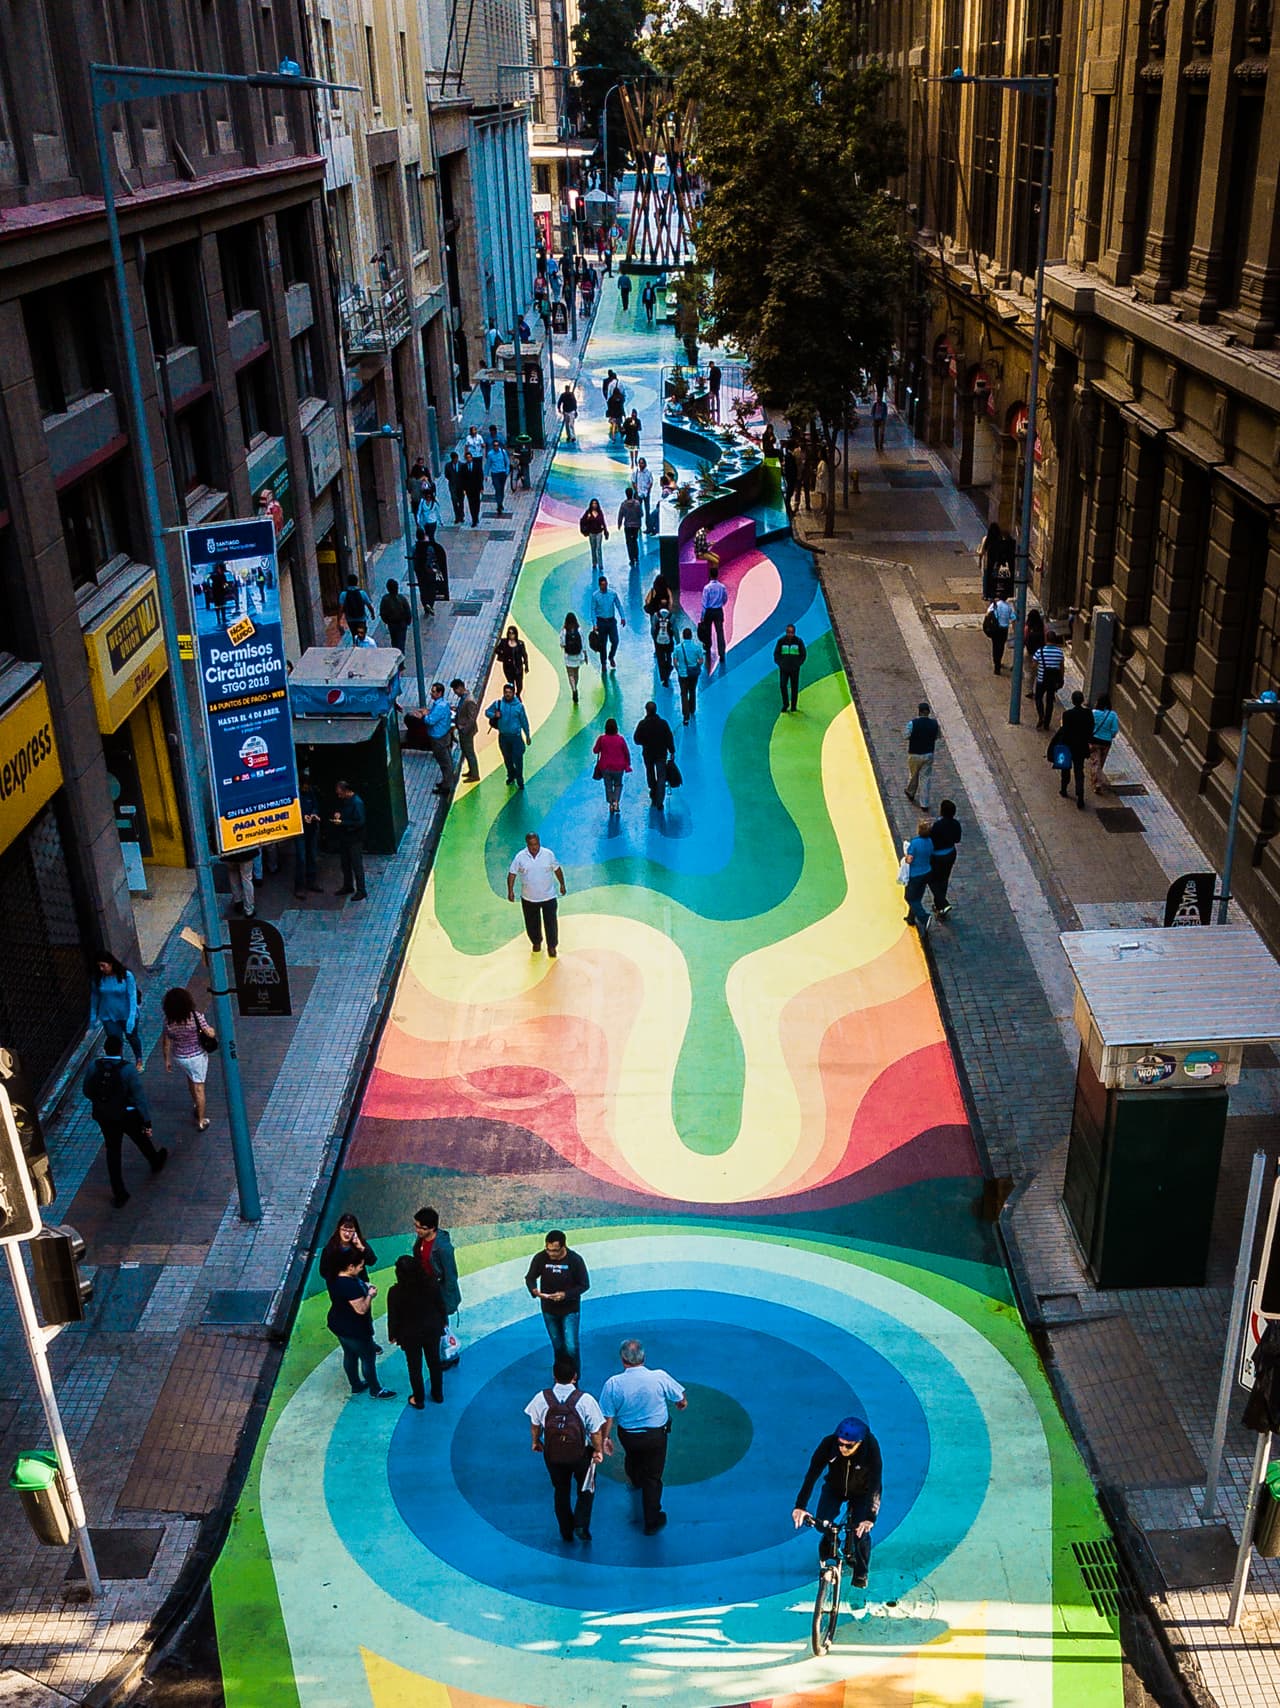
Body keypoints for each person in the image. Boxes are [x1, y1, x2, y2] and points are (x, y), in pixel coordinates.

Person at [600, 1338, 687, 1535]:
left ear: (623, 1360)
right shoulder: (659, 1377)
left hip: (629, 1436)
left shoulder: (613, 1384)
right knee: (653, 1477)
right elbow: (681, 1399)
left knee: (633, 1458)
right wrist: (681, 1404)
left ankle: (636, 1479)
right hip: (656, 1436)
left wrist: (605, 1438)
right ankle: (652, 1520)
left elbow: (608, 1416)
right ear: (644, 1357)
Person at [791, 1415, 883, 1589]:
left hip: (863, 1493)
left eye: (848, 1446)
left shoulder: (871, 1448)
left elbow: (876, 1484)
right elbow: (812, 1474)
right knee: (822, 1524)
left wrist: (870, 1517)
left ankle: (861, 1573)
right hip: (835, 1488)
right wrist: (800, 1506)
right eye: (840, 1444)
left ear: (860, 1442)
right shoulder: (828, 1444)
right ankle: (830, 1544)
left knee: (860, 1533)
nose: (842, 1448)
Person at [526, 1354, 605, 1543]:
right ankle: (581, 1524)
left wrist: (536, 1442)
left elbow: (535, 1424)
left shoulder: (541, 1398)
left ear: (554, 1376)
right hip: (580, 1454)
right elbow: (595, 1431)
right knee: (586, 1488)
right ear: (575, 1376)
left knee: (560, 1490)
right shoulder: (585, 1400)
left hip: (553, 1454)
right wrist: (598, 1450)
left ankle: (566, 1531)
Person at [83, 1034, 167, 1209]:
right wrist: (146, 1120)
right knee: (141, 1139)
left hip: (105, 1116)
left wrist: (102, 1103)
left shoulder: (94, 1066)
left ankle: (119, 1192)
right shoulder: (127, 1070)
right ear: (121, 1050)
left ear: (105, 1050)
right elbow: (138, 1097)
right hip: (127, 1114)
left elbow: (87, 1090)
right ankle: (155, 1160)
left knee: (113, 1151)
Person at [327, 1253, 394, 1399]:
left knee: (350, 1354)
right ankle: (375, 1389)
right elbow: (361, 1309)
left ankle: (356, 1385)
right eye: (360, 1267)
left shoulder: (334, 1277)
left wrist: (363, 1286)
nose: (361, 1269)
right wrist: (370, 1294)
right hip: (355, 1329)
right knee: (368, 1358)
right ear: (350, 1267)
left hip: (338, 1324)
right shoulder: (349, 1285)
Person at [386, 1253, 448, 1408]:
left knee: (414, 1367)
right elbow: (440, 1305)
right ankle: (438, 1394)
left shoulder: (395, 1292)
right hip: (432, 1329)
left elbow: (393, 1316)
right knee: (434, 1362)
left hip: (409, 1334)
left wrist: (392, 1334)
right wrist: (443, 1322)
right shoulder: (432, 1284)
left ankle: (418, 1399)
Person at [525, 1232, 591, 1363]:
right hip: (549, 1310)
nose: (551, 1254)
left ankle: (574, 1380)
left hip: (570, 1310)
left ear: (563, 1247)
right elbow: (530, 1277)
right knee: (558, 1346)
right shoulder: (540, 1258)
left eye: (555, 1251)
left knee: (571, 1347)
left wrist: (565, 1295)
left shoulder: (575, 1260)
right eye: (548, 1250)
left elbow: (584, 1285)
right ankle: (560, 1378)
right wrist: (534, 1290)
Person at [160, 985, 215, 1131]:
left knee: (191, 1078)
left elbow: (166, 1042)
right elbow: (210, 1033)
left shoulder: (168, 1022)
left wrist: (167, 1060)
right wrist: (212, 1031)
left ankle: (196, 1104)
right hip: (197, 1056)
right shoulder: (196, 1017)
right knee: (199, 1087)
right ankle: (201, 1119)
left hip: (180, 1057)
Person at [508, 832, 566, 957]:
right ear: (527, 845)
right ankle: (536, 942)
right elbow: (512, 873)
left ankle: (552, 946)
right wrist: (510, 890)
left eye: (536, 844)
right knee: (531, 923)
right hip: (529, 898)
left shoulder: (548, 855)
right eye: (531, 845)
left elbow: (557, 869)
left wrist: (562, 884)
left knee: (551, 923)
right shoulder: (520, 857)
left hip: (548, 897)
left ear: (539, 842)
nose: (534, 847)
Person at [89, 952, 142, 1066]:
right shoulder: (98, 978)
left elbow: (132, 996)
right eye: (99, 966)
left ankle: (139, 1059)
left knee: (132, 1038)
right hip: (108, 1015)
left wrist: (132, 1017)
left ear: (111, 964)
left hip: (126, 1013)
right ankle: (119, 1063)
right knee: (115, 1041)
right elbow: (95, 996)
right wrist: (93, 1015)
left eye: (103, 965)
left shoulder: (126, 976)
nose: (101, 969)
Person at [412, 1205, 461, 1316]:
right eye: (416, 1226)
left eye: (422, 1228)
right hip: (425, 1286)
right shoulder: (422, 1237)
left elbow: (450, 1275)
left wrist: (447, 1301)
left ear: (432, 1228)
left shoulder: (444, 1248)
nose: (417, 1230)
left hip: (439, 1290)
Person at [486, 682, 532, 788]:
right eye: (506, 692)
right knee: (507, 758)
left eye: (510, 692)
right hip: (503, 736)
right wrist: (494, 715)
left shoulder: (519, 707)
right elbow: (487, 712)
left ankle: (520, 778)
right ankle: (511, 775)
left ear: (513, 693)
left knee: (518, 759)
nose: (507, 694)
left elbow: (524, 721)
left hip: (515, 737)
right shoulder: (498, 704)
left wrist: (527, 735)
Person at [633, 702, 675, 808]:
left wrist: (645, 742)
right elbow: (669, 738)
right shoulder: (663, 723)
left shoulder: (642, 724)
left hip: (648, 753)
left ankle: (653, 790)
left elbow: (636, 740)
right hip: (661, 753)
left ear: (646, 710)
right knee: (662, 776)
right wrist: (672, 751)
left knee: (650, 772)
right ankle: (660, 801)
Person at [1058, 689, 1095, 809]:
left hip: (1068, 746)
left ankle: (1064, 789)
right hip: (1081, 747)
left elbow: (1064, 731)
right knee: (1079, 771)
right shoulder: (1088, 714)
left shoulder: (1067, 714)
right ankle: (1080, 795)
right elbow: (1091, 729)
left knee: (1065, 769)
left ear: (1072, 701)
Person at [332, 780, 367, 900]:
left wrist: (343, 823)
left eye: (340, 793)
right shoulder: (345, 801)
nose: (339, 796)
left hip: (354, 839)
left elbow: (360, 822)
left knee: (357, 865)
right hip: (345, 838)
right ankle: (348, 886)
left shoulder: (357, 803)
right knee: (345, 863)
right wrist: (338, 814)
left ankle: (361, 890)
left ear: (346, 791)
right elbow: (342, 811)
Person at [319, 1212, 376, 1284]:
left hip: (359, 1286)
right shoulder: (330, 1248)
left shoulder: (361, 1243)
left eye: (350, 1230)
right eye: (344, 1229)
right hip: (340, 1286)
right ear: (339, 1229)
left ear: (355, 1231)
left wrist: (361, 1248)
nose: (347, 1234)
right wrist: (345, 1275)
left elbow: (372, 1261)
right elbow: (324, 1272)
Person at [927, 800, 962, 917]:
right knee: (943, 879)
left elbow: (931, 841)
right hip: (951, 854)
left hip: (937, 857)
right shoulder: (956, 824)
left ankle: (942, 903)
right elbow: (957, 839)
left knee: (931, 879)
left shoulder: (937, 825)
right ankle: (939, 907)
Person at [903, 701, 940, 810]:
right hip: (928, 753)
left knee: (913, 774)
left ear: (919, 712)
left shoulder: (912, 724)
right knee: (926, 778)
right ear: (928, 712)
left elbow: (906, 736)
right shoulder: (934, 724)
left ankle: (911, 792)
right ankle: (924, 803)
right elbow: (938, 736)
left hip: (914, 753)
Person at [592, 717, 631, 815]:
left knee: (608, 786)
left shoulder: (602, 739)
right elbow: (626, 752)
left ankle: (610, 803)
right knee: (618, 784)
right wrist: (627, 764)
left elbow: (595, 750)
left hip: (605, 767)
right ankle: (616, 802)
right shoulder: (620, 739)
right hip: (619, 767)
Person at [293, 770, 323, 897]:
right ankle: (299, 886)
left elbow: (316, 805)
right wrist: (302, 817)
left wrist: (314, 814)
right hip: (300, 830)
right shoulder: (296, 795)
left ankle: (311, 881)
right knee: (301, 858)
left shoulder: (311, 793)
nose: (306, 788)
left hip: (311, 829)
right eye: (305, 786)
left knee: (312, 855)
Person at [423, 682, 455, 796]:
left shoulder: (439, 706)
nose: (431, 693)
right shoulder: (444, 704)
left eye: (433, 691)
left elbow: (430, 721)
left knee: (444, 762)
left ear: (439, 693)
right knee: (446, 760)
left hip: (438, 738)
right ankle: (447, 781)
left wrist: (424, 715)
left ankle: (447, 786)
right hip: (444, 735)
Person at [903, 817, 933, 931]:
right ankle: (911, 917)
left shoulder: (915, 843)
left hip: (915, 875)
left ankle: (924, 917)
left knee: (909, 897)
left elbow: (909, 860)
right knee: (917, 896)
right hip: (926, 872)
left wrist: (906, 855)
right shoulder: (930, 842)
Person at [590, 575, 625, 672]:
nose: (604, 587)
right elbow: (593, 610)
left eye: (605, 584)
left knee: (615, 641)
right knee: (602, 644)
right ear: (599, 585)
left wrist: (622, 617)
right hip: (601, 622)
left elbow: (619, 605)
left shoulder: (613, 594)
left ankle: (611, 656)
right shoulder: (595, 596)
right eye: (602, 585)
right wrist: (594, 623)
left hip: (611, 621)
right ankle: (603, 663)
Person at [1033, 628, 1066, 730]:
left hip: (1041, 680)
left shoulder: (1040, 651)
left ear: (1046, 639)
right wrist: (1061, 679)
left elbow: (1034, 665)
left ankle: (1041, 716)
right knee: (1050, 701)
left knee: (1038, 698)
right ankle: (1047, 722)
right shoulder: (1059, 652)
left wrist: (1038, 670)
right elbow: (1061, 667)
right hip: (1052, 681)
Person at [450, 678, 481, 782]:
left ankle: (475, 774)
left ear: (460, 688)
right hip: (463, 729)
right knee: (466, 751)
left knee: (469, 752)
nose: (455, 693)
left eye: (455, 690)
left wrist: (464, 730)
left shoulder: (469, 700)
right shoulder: (464, 698)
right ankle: (472, 771)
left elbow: (472, 719)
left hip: (466, 731)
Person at [673, 626, 705, 724]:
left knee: (683, 693)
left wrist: (678, 670)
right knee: (692, 691)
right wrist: (696, 665)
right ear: (691, 636)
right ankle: (692, 709)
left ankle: (685, 715)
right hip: (693, 674)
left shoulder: (678, 648)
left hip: (683, 674)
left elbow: (675, 662)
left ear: (683, 636)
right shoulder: (697, 647)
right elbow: (701, 660)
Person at [700, 564, 728, 673]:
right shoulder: (722, 587)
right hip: (718, 611)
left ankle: (707, 648)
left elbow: (704, 603)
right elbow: (725, 599)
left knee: (708, 631)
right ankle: (722, 654)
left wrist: (703, 616)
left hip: (709, 611)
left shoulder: (707, 588)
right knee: (720, 632)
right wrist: (720, 604)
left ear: (710, 575)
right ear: (717, 575)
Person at [1089, 693, 1119, 794]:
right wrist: (1109, 735)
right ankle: (1097, 779)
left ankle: (1097, 782)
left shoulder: (1093, 713)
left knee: (1095, 762)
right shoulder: (1113, 715)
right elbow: (1114, 730)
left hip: (1094, 740)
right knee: (1101, 762)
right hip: (1106, 742)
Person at [774, 623, 806, 712]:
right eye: (788, 632)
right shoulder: (781, 641)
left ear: (794, 633)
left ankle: (793, 706)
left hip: (795, 670)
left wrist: (797, 664)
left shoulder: (799, 642)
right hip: (784, 669)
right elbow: (776, 654)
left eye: (791, 632)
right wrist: (781, 664)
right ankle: (785, 704)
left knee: (794, 687)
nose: (790, 634)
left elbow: (803, 654)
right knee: (782, 685)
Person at [222, 845, 258, 917]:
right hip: (246, 851)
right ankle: (249, 909)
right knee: (247, 878)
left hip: (229, 851)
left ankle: (238, 901)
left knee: (233, 875)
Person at [496, 624, 530, 696]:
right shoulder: (504, 642)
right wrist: (503, 655)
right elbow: (497, 650)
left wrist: (526, 666)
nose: (511, 635)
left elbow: (524, 655)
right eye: (509, 633)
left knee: (519, 685)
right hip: (508, 668)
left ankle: (518, 694)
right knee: (511, 684)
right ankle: (513, 696)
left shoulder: (520, 644)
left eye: (512, 633)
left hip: (518, 668)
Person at [380, 579, 411, 654]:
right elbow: (408, 610)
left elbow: (382, 612)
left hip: (392, 624)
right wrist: (408, 621)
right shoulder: (401, 598)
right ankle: (400, 659)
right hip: (401, 624)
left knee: (394, 641)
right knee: (401, 642)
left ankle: (396, 656)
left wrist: (387, 621)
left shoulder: (385, 599)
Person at [560, 613, 586, 705]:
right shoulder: (579, 630)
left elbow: (562, 644)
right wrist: (585, 655)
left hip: (568, 656)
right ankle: (576, 686)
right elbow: (583, 643)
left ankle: (574, 689)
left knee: (570, 674)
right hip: (578, 655)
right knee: (576, 673)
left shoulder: (564, 631)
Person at [986, 592, 1015, 674]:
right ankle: (999, 660)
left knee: (995, 646)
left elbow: (988, 613)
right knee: (1001, 646)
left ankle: (996, 663)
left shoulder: (995, 605)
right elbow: (1013, 618)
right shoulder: (1008, 607)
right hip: (1004, 630)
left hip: (996, 629)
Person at [580, 499, 610, 573]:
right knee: (593, 548)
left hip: (599, 532)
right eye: (593, 503)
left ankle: (600, 564)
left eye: (595, 503)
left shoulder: (600, 512)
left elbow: (603, 522)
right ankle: (594, 563)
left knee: (599, 548)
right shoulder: (588, 513)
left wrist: (606, 531)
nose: (594, 505)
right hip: (591, 533)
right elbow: (582, 521)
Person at [618, 487, 643, 570]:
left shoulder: (623, 504)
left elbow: (620, 515)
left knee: (629, 542)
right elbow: (641, 514)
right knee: (635, 541)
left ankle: (631, 559)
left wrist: (619, 524)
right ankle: (636, 557)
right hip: (636, 526)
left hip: (628, 526)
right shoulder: (637, 503)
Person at [651, 603, 676, 687]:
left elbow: (653, 628)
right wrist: (678, 641)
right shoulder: (671, 616)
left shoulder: (655, 615)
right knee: (668, 656)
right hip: (668, 641)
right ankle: (668, 670)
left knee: (660, 659)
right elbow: (675, 629)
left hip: (658, 641)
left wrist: (654, 639)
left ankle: (663, 678)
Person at [1023, 607, 1046, 698]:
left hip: (1029, 651)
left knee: (1028, 671)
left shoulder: (1027, 627)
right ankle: (1039, 690)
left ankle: (1029, 690)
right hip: (1040, 652)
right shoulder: (1042, 626)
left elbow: (1024, 638)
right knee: (1038, 671)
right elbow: (1045, 638)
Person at [413, 528, 436, 614]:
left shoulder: (415, 547)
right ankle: (430, 604)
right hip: (429, 572)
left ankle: (425, 604)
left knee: (423, 589)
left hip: (420, 572)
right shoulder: (429, 547)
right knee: (431, 588)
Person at [486, 435, 510, 517]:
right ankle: (499, 504)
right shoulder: (490, 454)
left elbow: (507, 462)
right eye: (494, 445)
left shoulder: (503, 452)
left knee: (502, 489)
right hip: (495, 473)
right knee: (497, 488)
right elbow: (488, 465)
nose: (496, 447)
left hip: (502, 473)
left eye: (497, 445)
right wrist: (486, 474)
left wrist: (506, 472)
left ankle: (500, 503)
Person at [463, 449, 485, 527]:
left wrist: (481, 488)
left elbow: (480, 477)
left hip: (476, 488)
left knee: (477, 503)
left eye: (470, 457)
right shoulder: (464, 467)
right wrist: (464, 489)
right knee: (471, 504)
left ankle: (476, 516)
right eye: (467, 458)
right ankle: (474, 519)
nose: (468, 459)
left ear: (471, 458)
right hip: (469, 489)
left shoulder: (477, 466)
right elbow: (463, 479)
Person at [444, 451, 467, 524]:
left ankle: (461, 516)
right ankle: (457, 516)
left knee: (461, 501)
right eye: (454, 459)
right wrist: (452, 480)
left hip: (461, 486)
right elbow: (447, 475)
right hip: (453, 486)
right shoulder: (448, 466)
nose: (456, 460)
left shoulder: (462, 465)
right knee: (454, 501)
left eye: (456, 458)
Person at [635, 458, 656, 534]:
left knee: (647, 511)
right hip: (639, 494)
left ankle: (648, 527)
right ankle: (638, 526)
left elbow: (651, 482)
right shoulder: (636, 472)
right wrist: (637, 491)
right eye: (639, 463)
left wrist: (648, 490)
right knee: (638, 511)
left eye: (642, 463)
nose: (641, 465)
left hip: (646, 494)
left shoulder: (648, 472)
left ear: (645, 464)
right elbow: (633, 481)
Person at [782, 442, 799, 516]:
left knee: (790, 493)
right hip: (791, 477)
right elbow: (791, 468)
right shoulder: (789, 456)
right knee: (789, 493)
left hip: (790, 477)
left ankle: (788, 509)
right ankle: (788, 509)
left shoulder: (788, 456)